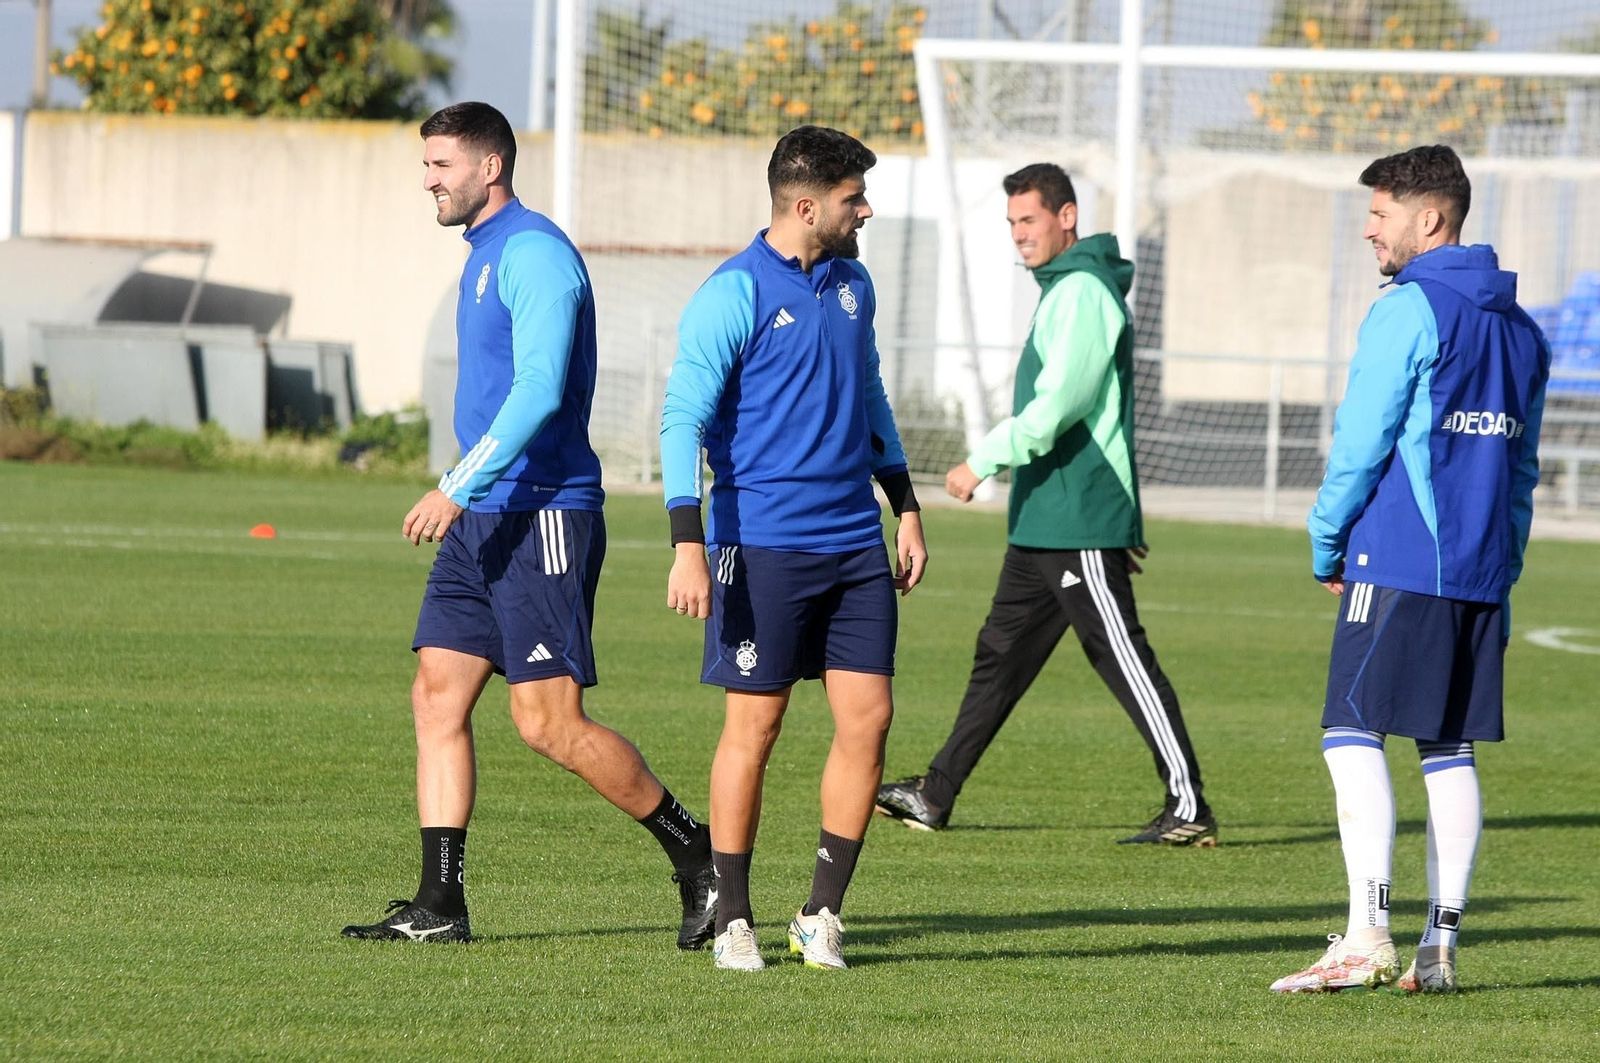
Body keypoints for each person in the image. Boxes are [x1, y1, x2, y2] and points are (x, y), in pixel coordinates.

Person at [341, 101, 716, 949]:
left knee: (547, 723)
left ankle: (698, 854)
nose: (428, 181)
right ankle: (441, 905)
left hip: (543, 512)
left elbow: (542, 389)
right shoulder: (482, 255)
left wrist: (455, 484)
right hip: (485, 518)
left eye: (440, 165)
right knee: (437, 694)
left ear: (490, 167)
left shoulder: (537, 254)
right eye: (426, 164)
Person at [1270, 145, 1548, 994]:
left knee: (1349, 732)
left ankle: (1366, 935)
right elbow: (1524, 468)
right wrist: (1502, 563)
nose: (1369, 229)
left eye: (1381, 212)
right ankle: (1440, 945)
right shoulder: (1523, 329)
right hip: (1478, 573)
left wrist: (1326, 540)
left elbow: (1361, 444)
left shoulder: (1408, 311)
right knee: (1448, 747)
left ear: (1431, 218)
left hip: (1398, 561)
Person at [874, 163, 1217, 846]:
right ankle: (936, 793)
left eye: (1028, 220)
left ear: (1066, 216)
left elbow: (1064, 403)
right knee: (998, 655)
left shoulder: (1084, 290)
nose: (1018, 235)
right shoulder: (1065, 288)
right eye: (1010, 224)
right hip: (1046, 516)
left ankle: (1189, 805)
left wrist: (982, 460)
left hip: (1075, 513)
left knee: (1120, 655)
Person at [660, 125, 927, 971]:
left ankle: (819, 913)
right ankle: (734, 916)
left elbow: (870, 393)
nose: (867, 209)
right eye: (855, 198)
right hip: (761, 543)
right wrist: (686, 542)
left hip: (853, 542)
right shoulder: (731, 292)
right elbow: (681, 422)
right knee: (758, 723)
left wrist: (906, 505)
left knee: (870, 720)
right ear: (807, 205)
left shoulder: (855, 285)